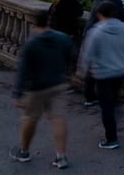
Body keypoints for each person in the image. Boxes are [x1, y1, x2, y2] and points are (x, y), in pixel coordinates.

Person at [11, 9, 76, 169]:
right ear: (49, 22)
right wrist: (70, 74)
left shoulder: (32, 43)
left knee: (30, 119)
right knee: (57, 118)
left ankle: (24, 152)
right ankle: (61, 157)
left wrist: (18, 94)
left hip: (37, 88)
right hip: (59, 84)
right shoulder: (63, 38)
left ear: (35, 23)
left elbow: (23, 70)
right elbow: (73, 55)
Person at [76, 0, 124, 150]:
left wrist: (82, 71)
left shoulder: (96, 31)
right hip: (119, 71)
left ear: (100, 14)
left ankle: (111, 139)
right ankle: (114, 118)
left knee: (106, 106)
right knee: (112, 101)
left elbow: (87, 54)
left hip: (102, 73)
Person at [83, 0, 124, 107]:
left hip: (90, 32)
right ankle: (106, 98)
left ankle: (89, 97)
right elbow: (122, 19)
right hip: (104, 35)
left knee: (92, 67)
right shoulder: (116, 0)